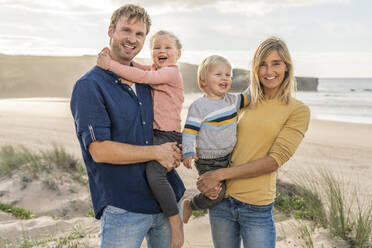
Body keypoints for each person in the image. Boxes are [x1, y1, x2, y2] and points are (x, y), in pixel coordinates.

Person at [70, 4, 185, 248]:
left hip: (165, 202)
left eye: (140, 34)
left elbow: (165, 120)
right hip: (124, 208)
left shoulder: (146, 80)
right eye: (126, 30)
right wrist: (157, 152)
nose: (132, 39)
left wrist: (175, 151)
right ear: (111, 31)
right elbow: (100, 151)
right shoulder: (89, 85)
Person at [196, 37, 310, 248]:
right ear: (255, 70)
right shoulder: (239, 102)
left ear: (286, 67)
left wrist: (219, 174)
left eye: (276, 63)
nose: (269, 71)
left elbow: (274, 161)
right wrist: (207, 175)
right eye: (262, 65)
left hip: (256, 207)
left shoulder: (297, 110)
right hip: (220, 201)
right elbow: (211, 138)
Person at [96, 29, 184, 248]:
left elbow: (144, 77)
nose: (161, 51)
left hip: (167, 135)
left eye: (167, 47)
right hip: (156, 134)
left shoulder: (171, 72)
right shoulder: (156, 68)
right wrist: (113, 57)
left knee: (155, 175)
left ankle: (175, 220)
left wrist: (111, 65)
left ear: (178, 54)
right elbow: (139, 68)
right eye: (156, 47)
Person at [181, 55, 250, 224]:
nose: (225, 78)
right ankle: (190, 204)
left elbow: (250, 94)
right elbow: (189, 132)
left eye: (228, 75)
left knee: (228, 190)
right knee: (215, 195)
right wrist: (188, 152)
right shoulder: (199, 106)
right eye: (218, 74)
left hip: (230, 157)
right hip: (209, 161)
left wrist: (256, 75)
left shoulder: (232, 100)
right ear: (203, 81)